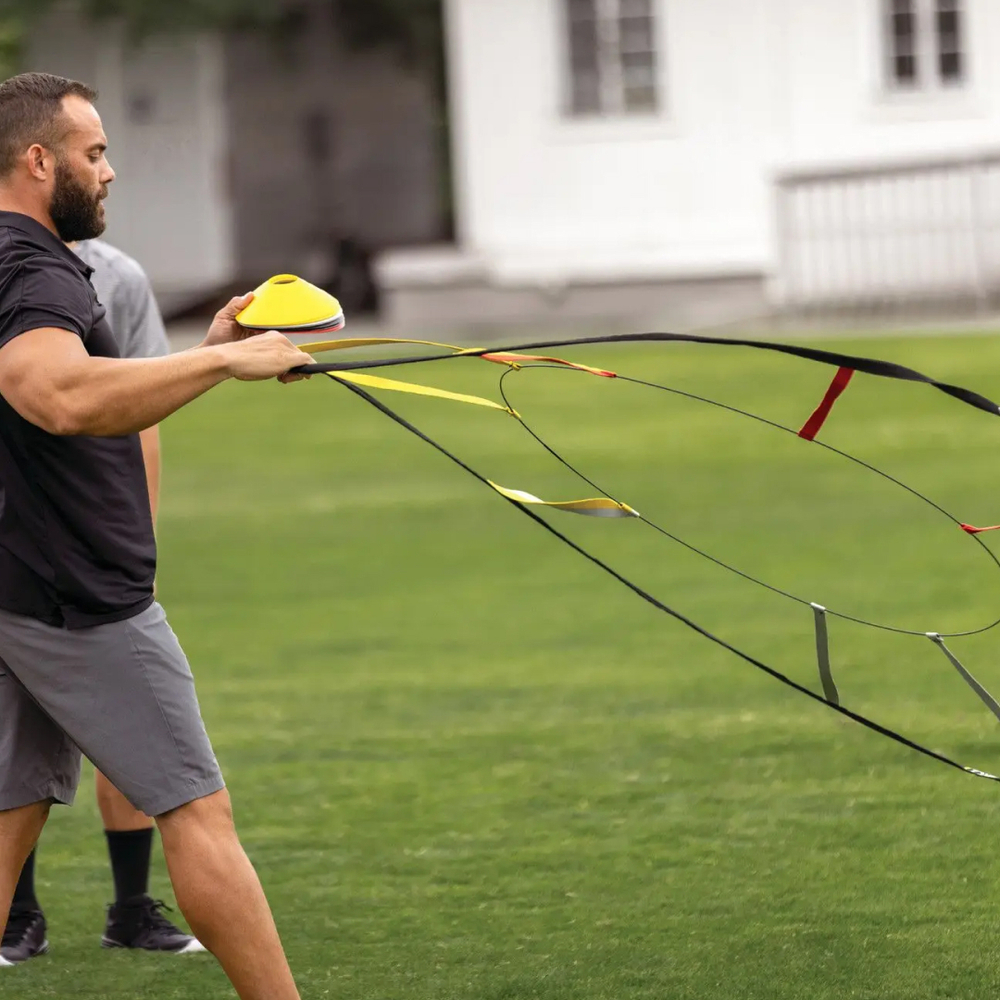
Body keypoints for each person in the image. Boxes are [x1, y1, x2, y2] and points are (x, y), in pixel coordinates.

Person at [0, 72, 310, 1000]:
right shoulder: (35, 267)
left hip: (19, 585)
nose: (110, 172)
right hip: (78, 601)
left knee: (7, 814)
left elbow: (85, 390)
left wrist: (199, 355)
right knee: (198, 810)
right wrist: (225, 360)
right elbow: (50, 392)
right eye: (95, 153)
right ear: (39, 158)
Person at [1, 237, 206, 963]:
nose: (106, 170)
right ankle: (20, 916)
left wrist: (132, 547)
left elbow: (140, 405)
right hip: (25, 559)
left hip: (79, 560)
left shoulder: (115, 276)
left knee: (134, 747)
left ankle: (130, 909)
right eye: (92, 154)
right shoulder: (19, 270)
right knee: (15, 760)